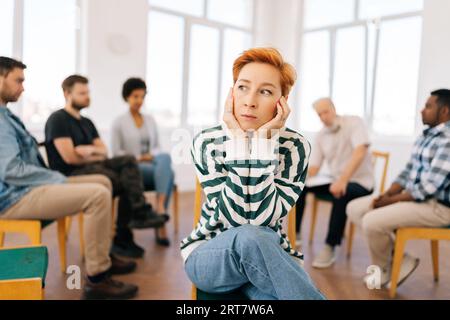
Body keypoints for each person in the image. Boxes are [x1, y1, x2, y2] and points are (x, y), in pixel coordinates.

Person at [180, 47, 325, 300]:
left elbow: (261, 219)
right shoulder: (207, 142)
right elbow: (237, 222)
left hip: (268, 255)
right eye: (242, 87)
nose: (249, 101)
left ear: (283, 99)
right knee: (249, 236)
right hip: (210, 256)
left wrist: (262, 142)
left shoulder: (294, 147)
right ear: (232, 92)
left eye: (265, 91)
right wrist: (238, 139)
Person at [0, 56, 138, 299]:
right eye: (18, 80)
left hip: (27, 187)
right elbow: (12, 171)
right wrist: (53, 177)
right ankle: (97, 278)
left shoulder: (6, 115)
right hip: (14, 197)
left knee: (103, 182)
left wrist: (53, 176)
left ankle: (103, 256)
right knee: (97, 194)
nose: (23, 86)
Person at [44, 75, 166, 259]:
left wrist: (87, 150)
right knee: (126, 180)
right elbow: (70, 158)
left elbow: (104, 151)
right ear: (67, 93)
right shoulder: (58, 119)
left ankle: (138, 214)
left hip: (91, 165)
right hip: (70, 173)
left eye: (88, 92)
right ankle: (123, 237)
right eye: (82, 93)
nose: (87, 96)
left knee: (128, 160)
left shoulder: (87, 122)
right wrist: (92, 153)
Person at [347, 90, 450, 288]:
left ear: (444, 111)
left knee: (371, 221)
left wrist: (390, 201)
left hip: (439, 208)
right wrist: (386, 194)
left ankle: (385, 268)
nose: (422, 110)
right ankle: (398, 260)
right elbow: (407, 172)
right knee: (355, 208)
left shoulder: (448, 140)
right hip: (417, 201)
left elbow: (429, 187)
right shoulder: (427, 135)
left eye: (428, 106)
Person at [295, 98, 374, 269]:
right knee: (301, 187)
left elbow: (361, 151)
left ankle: (330, 245)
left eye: (325, 111)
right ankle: (296, 233)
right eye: (319, 114)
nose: (323, 117)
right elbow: (315, 166)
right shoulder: (321, 135)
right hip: (334, 179)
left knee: (341, 192)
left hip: (360, 182)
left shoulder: (354, 122)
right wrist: (297, 178)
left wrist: (343, 180)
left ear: (334, 108)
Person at [111, 78, 175, 247]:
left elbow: (156, 147)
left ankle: (159, 209)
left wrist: (150, 155)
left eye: (142, 96)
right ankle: (161, 222)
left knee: (165, 157)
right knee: (170, 172)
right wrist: (139, 157)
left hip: (152, 164)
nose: (139, 101)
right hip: (134, 169)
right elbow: (116, 153)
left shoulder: (150, 120)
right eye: (135, 96)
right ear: (126, 97)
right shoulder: (118, 122)